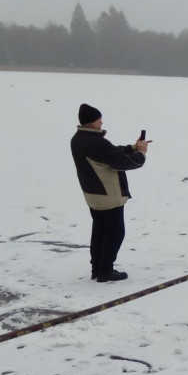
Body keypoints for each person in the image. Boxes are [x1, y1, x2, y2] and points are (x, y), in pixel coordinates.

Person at [69, 103, 148, 282]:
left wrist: (132, 147)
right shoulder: (94, 142)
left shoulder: (79, 138)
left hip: (93, 194)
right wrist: (141, 154)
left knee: (100, 230)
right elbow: (121, 162)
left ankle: (97, 268)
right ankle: (105, 271)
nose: (102, 122)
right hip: (107, 195)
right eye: (99, 120)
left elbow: (110, 152)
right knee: (115, 232)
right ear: (90, 123)